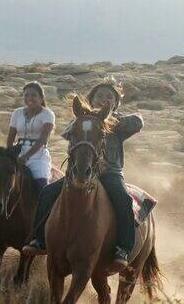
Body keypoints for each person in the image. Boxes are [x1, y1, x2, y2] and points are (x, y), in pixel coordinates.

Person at [23, 77, 143, 271]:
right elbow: (67, 132)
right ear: (92, 99)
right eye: (100, 96)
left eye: (110, 97)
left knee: (123, 199)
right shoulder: (81, 121)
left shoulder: (119, 122)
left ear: (115, 102)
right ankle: (39, 239)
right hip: (79, 171)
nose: (105, 99)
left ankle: (123, 248)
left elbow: (138, 122)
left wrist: (108, 119)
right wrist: (89, 120)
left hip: (109, 173)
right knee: (47, 193)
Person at [0, 82, 55, 235]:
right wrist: (9, 155)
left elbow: (42, 140)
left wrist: (26, 156)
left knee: (42, 186)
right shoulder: (17, 113)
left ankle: (44, 225)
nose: (29, 98)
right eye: (26, 95)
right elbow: (10, 137)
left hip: (38, 157)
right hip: (16, 154)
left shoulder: (48, 114)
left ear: (41, 98)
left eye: (33, 95)